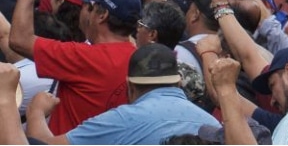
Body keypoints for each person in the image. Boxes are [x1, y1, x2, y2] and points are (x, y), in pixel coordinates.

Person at [8, 0, 141, 135]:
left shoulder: (84, 57)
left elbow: (19, 39)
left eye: (91, 7)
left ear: (102, 16)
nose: (85, 12)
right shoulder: (141, 58)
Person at [23, 44, 218, 144]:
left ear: (129, 86)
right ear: (178, 82)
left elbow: (46, 145)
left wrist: (36, 113)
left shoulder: (121, 119)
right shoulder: (212, 124)